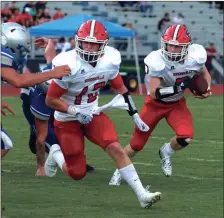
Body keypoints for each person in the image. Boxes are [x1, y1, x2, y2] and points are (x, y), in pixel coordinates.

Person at [45, 19, 162, 208]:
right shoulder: (67, 64)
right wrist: (74, 111)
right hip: (67, 119)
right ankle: (56, 153)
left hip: (93, 113)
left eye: (95, 43)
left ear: (103, 45)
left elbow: (122, 89)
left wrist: (134, 114)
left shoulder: (108, 61)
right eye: (86, 42)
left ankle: (142, 195)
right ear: (78, 41)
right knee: (77, 173)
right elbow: (50, 100)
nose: (90, 48)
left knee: (115, 147)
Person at [109, 24, 212, 185]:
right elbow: (154, 92)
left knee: (186, 137)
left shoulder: (195, 57)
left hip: (176, 104)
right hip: (154, 105)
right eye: (169, 45)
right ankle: (120, 169)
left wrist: (207, 88)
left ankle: (166, 151)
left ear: (186, 48)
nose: (171, 50)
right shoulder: (156, 60)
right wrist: (181, 87)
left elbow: (203, 72)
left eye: (176, 47)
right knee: (136, 145)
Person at [20, 37, 95, 176]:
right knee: (48, 140)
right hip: (33, 106)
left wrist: (49, 42)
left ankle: (73, 158)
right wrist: (41, 167)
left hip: (51, 101)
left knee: (71, 129)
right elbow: (41, 140)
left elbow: (51, 57)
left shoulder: (59, 71)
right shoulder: (41, 100)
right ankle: (35, 136)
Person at [1, 22, 71, 159]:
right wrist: (52, 73)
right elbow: (18, 81)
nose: (21, 55)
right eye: (20, 50)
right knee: (4, 144)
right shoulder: (3, 53)